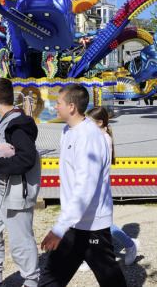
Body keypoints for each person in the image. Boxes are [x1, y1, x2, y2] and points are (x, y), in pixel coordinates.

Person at [39, 84, 126, 286]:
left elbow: (85, 187)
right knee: (51, 277)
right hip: (74, 222)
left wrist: (59, 228)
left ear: (71, 107)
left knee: (110, 280)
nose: (54, 107)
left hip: (92, 224)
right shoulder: (68, 130)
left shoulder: (89, 136)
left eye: (58, 103)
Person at [0, 78, 41, 287]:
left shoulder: (17, 125)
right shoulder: (5, 119)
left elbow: (26, 159)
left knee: (20, 239)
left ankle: (31, 282)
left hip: (15, 191)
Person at [78, 107, 141, 272]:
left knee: (102, 225)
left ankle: (130, 244)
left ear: (100, 123)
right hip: (94, 188)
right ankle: (91, 256)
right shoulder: (98, 138)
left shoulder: (102, 140)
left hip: (97, 189)